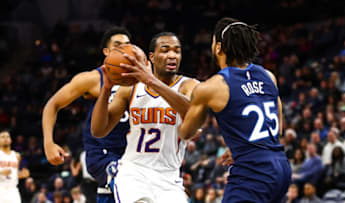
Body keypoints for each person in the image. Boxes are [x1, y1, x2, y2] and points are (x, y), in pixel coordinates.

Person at [178, 17, 292, 202]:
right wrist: (244, 145)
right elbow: (277, 127)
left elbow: (186, 132)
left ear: (218, 47)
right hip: (281, 168)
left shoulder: (212, 86)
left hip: (253, 173)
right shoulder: (268, 76)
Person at [91, 32, 198, 203]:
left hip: (169, 177)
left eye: (177, 51)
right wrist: (106, 89)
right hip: (134, 173)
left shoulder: (189, 85)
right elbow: (98, 130)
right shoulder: (130, 89)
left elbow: (193, 113)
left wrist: (152, 81)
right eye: (165, 50)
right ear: (152, 57)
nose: (172, 55)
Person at [42, 26, 131, 203]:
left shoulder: (142, 78)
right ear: (106, 51)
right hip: (102, 152)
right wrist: (48, 142)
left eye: (127, 45)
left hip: (131, 152)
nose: (124, 49)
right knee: (129, 183)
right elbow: (53, 105)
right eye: (117, 45)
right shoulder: (91, 79)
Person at [0, 130, 30, 203]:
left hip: (13, 190)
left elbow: (15, 174)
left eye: (7, 137)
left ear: (11, 140)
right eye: (2, 137)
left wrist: (23, 174)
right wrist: (1, 172)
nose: (5, 138)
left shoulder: (17, 156)